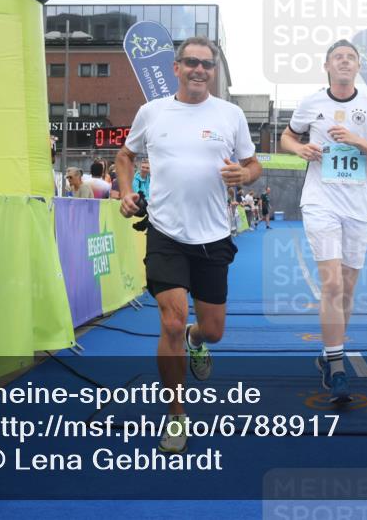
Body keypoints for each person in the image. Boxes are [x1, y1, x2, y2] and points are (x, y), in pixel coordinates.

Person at [117, 36, 260, 454]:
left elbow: (253, 164)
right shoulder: (153, 112)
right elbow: (125, 156)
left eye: (207, 64)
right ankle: (177, 415)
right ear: (176, 68)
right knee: (172, 323)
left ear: (213, 71)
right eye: (191, 62)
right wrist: (126, 192)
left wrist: (245, 176)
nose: (199, 70)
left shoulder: (231, 115)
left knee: (212, 330)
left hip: (213, 235)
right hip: (165, 232)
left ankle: (198, 342)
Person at [280, 39, 367, 403]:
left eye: (351, 58)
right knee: (331, 285)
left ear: (358, 67)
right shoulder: (312, 103)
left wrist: (358, 141)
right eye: (338, 58)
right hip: (320, 202)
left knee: (347, 290)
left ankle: (328, 352)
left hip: (358, 206)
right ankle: (338, 367)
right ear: (327, 66)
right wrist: (300, 148)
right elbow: (287, 136)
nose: (345, 62)